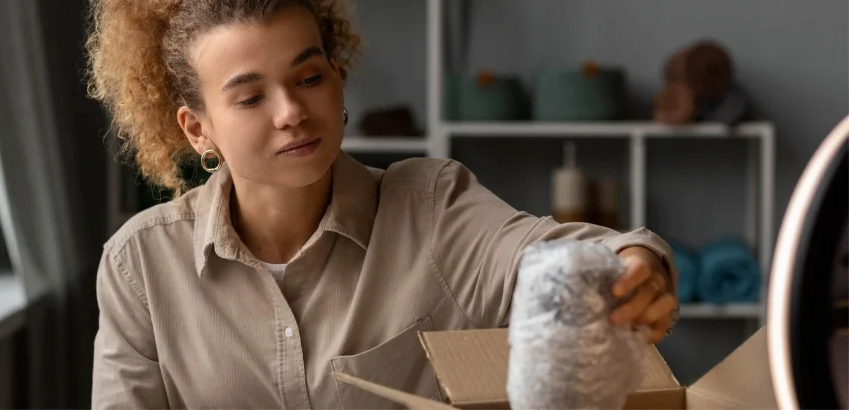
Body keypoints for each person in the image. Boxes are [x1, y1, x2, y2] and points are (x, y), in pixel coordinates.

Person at [85, 1, 679, 408]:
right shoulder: (140, 265)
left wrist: (632, 261)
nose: (290, 110)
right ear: (197, 130)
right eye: (249, 97)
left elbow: (545, 250)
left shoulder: (432, 207)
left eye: (309, 77)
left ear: (337, 78)